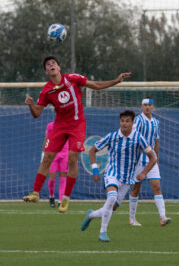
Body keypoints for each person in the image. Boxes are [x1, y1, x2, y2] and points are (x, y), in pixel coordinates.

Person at [23, 55, 131, 213]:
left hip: (77, 124)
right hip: (60, 125)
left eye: (54, 63)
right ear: (46, 71)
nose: (51, 65)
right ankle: (36, 193)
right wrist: (31, 105)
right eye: (48, 64)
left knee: (72, 158)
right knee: (47, 157)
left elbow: (95, 85)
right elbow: (37, 113)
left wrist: (116, 80)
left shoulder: (72, 78)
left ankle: (65, 198)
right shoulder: (46, 90)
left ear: (59, 68)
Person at [81, 110, 156, 242]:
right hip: (112, 173)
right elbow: (92, 150)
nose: (124, 124)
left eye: (127, 121)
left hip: (127, 179)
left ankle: (91, 215)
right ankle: (102, 233)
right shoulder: (112, 136)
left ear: (133, 123)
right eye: (122, 121)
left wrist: (144, 173)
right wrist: (95, 170)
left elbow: (153, 158)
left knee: (111, 208)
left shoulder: (138, 138)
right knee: (111, 198)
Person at [128, 97, 172, 226]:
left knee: (157, 187)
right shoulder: (138, 120)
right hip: (139, 159)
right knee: (136, 188)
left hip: (151, 159)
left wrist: (156, 159)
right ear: (141, 107)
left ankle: (162, 217)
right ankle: (131, 218)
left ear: (153, 107)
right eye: (145, 105)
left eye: (149, 105)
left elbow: (156, 141)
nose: (147, 107)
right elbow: (133, 137)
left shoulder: (156, 123)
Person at [43, 121, 68, 208]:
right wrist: (44, 153)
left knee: (62, 178)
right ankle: (51, 196)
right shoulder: (50, 125)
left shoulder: (68, 125)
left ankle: (60, 200)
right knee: (52, 179)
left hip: (65, 154)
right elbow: (47, 139)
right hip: (53, 153)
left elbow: (72, 139)